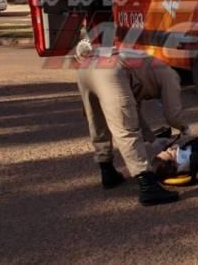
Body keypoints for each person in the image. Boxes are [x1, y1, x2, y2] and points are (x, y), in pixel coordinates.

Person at [74, 40, 190, 206]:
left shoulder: (146, 68)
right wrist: (185, 128)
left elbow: (134, 112)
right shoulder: (171, 74)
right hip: (111, 70)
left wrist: (153, 140)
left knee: (97, 121)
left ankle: (107, 171)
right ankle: (148, 186)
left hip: (86, 69)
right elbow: (173, 114)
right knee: (126, 130)